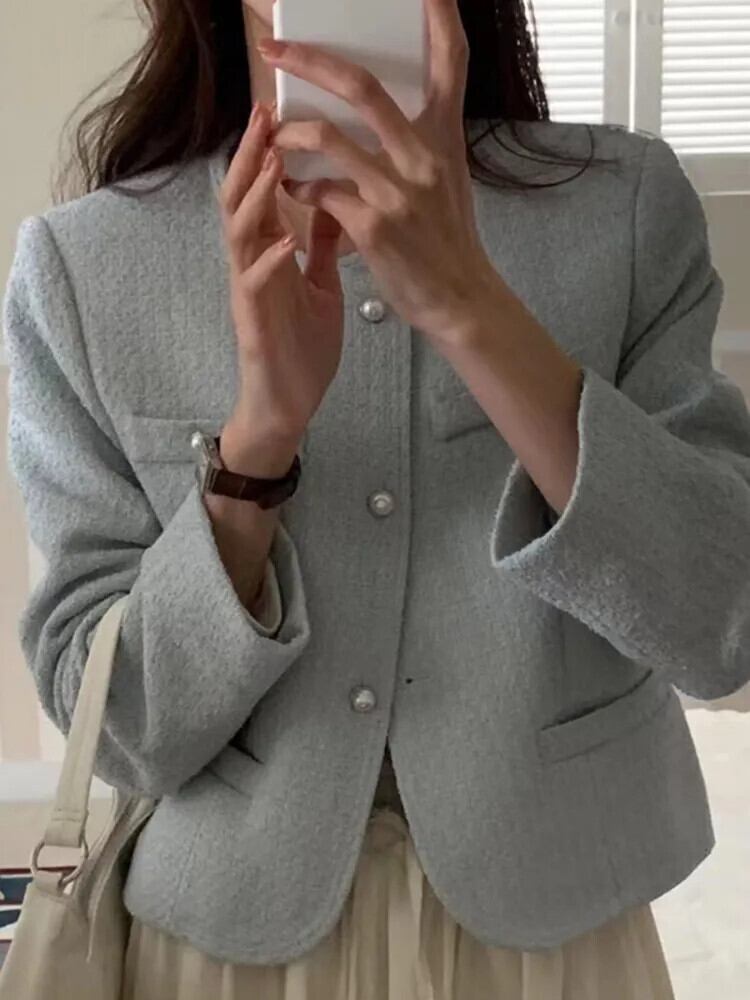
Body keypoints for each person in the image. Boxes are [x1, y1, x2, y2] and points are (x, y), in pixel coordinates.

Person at [4, 0, 750, 997]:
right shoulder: (84, 266)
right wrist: (256, 443)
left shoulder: (623, 209)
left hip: (559, 929)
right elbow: (120, 732)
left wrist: (470, 305)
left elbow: (722, 621)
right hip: (223, 947)